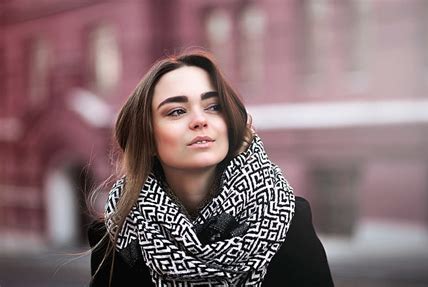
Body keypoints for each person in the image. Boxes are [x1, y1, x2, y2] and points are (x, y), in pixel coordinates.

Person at [88, 50, 334, 286]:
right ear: (148, 138)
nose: (200, 120)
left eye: (214, 107)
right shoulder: (118, 236)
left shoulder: (286, 218)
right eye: (176, 111)